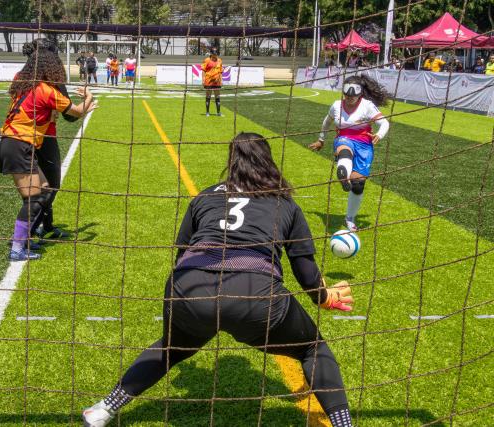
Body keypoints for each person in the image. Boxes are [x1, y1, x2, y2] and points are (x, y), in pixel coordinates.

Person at [82, 132, 355, 427]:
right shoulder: (284, 203)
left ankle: (104, 409)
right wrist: (323, 296)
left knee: (170, 349)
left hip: (189, 286)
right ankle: (344, 424)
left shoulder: (206, 196)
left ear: (232, 160)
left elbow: (180, 254)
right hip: (254, 293)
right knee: (312, 348)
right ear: (269, 161)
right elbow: (304, 270)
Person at [0, 42, 96, 260]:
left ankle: (27, 238)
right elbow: (77, 112)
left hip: (14, 142)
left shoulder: (22, 84)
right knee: (34, 198)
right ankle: (17, 248)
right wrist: (88, 96)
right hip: (20, 144)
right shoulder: (46, 90)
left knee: (42, 190)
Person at [309, 75, 390, 232]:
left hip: (364, 144)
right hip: (344, 138)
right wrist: (321, 139)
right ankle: (343, 175)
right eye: (347, 94)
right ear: (343, 93)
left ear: (360, 94)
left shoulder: (367, 106)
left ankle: (350, 218)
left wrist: (379, 135)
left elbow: (384, 123)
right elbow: (327, 121)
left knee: (358, 184)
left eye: (353, 95)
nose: (350, 98)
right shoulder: (336, 105)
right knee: (345, 151)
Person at [201, 47, 223, 117]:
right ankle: (207, 112)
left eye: (216, 53)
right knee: (208, 96)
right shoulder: (207, 60)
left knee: (218, 96)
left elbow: (220, 72)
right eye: (214, 53)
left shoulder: (220, 61)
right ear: (211, 53)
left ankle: (218, 112)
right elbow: (203, 70)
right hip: (208, 81)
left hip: (217, 82)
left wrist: (221, 80)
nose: (215, 55)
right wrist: (203, 79)